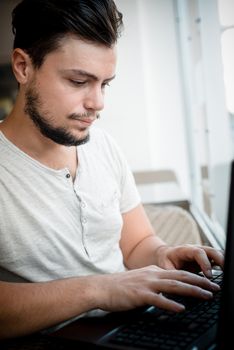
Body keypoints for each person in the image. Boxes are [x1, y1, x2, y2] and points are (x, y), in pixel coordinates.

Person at [0, 0, 223, 340]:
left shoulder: (103, 146)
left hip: (130, 330)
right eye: (78, 81)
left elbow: (136, 245)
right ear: (23, 67)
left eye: (104, 84)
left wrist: (162, 255)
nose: (98, 103)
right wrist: (101, 290)